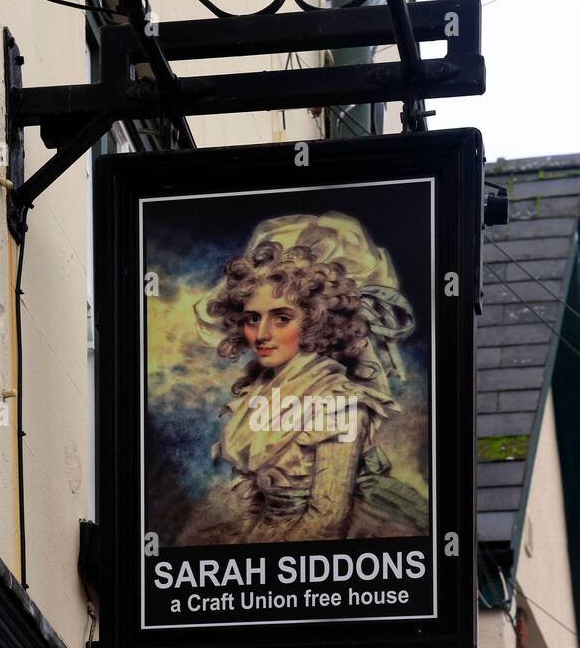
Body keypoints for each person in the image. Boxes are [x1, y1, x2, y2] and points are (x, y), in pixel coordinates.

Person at [179, 211, 428, 544]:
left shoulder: (339, 404)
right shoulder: (259, 393)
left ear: (315, 321)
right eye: (252, 319)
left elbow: (327, 519)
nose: (262, 334)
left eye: (281, 318)